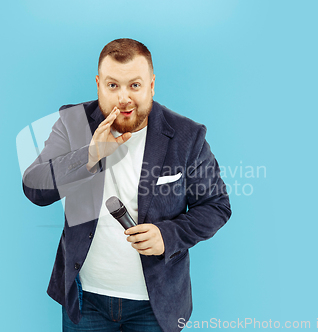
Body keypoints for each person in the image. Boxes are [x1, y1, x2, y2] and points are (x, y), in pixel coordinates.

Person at [22, 38, 232, 332]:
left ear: (151, 85)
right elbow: (35, 188)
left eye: (135, 85)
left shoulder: (187, 136)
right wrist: (89, 156)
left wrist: (167, 234)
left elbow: (216, 206)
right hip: (85, 302)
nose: (124, 99)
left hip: (155, 304)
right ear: (98, 84)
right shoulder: (73, 122)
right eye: (112, 86)